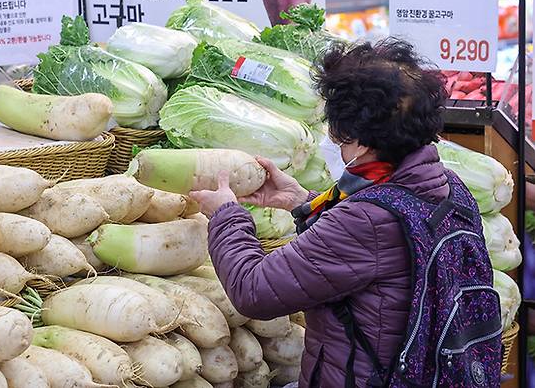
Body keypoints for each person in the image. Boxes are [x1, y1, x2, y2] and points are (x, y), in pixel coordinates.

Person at [190, 39, 500, 387]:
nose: (335, 144)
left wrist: (227, 216)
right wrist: (301, 201)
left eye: (339, 138)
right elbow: (366, 252)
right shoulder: (449, 184)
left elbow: (254, 290)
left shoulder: (368, 218)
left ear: (363, 141)